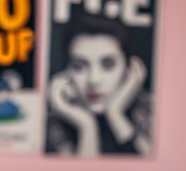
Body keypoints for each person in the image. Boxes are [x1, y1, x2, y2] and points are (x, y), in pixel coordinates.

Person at [46, 13, 152, 157]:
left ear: (129, 69)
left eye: (108, 65)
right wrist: (86, 126)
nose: (94, 80)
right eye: (79, 67)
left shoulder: (150, 109)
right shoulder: (55, 121)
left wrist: (115, 113)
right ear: (66, 73)